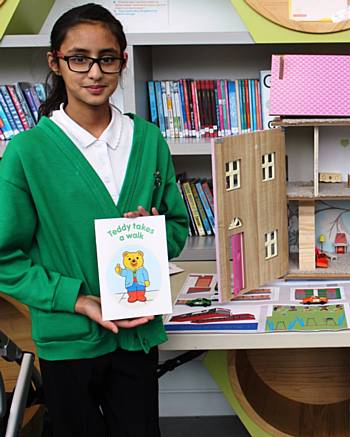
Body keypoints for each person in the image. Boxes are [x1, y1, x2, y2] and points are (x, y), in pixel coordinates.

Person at [0, 3, 189, 436]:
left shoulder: (147, 139)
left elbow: (176, 228)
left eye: (107, 58)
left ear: (123, 60)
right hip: (68, 337)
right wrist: (78, 299)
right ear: (56, 62)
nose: (94, 72)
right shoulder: (27, 153)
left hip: (137, 332)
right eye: (79, 59)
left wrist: (153, 234)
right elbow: (4, 257)